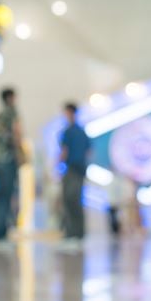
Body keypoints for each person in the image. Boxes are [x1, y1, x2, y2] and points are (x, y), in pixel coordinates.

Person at [0, 87, 24, 240]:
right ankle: (3, 231)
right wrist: (20, 154)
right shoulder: (12, 113)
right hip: (8, 160)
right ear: (10, 98)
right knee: (7, 195)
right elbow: (17, 134)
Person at [59, 102, 91, 251]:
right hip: (79, 169)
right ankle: (76, 233)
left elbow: (64, 151)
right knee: (75, 200)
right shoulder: (81, 131)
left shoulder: (70, 132)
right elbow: (89, 151)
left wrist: (56, 166)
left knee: (70, 200)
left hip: (72, 169)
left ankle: (74, 233)